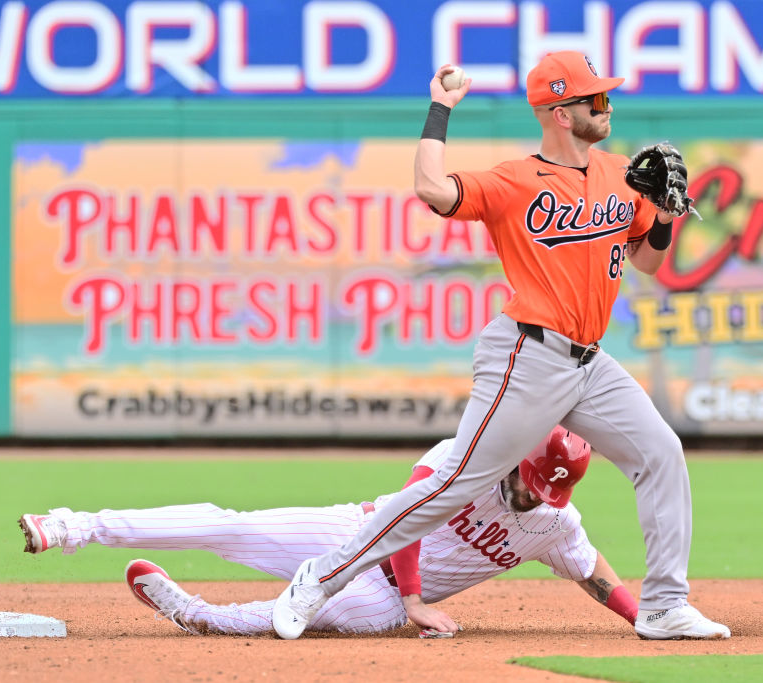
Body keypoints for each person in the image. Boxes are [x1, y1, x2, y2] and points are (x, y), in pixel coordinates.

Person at [270, 50, 730, 641]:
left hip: (590, 362)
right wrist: (441, 107)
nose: (607, 106)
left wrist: (665, 214)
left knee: (661, 453)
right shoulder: (516, 180)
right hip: (528, 355)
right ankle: (320, 577)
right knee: (454, 485)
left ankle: (664, 606)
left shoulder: (619, 174)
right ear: (561, 113)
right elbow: (430, 187)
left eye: (607, 96)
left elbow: (647, 263)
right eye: (597, 99)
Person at [18, 428, 639, 636]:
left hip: (387, 599)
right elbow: (407, 516)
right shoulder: (470, 455)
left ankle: (200, 615)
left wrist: (644, 617)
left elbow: (594, 574)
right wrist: (421, 600)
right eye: (531, 478)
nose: (533, 494)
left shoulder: (555, 524)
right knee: (229, 530)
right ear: (521, 457)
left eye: (547, 490)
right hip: (356, 534)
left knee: (331, 615)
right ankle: (75, 527)